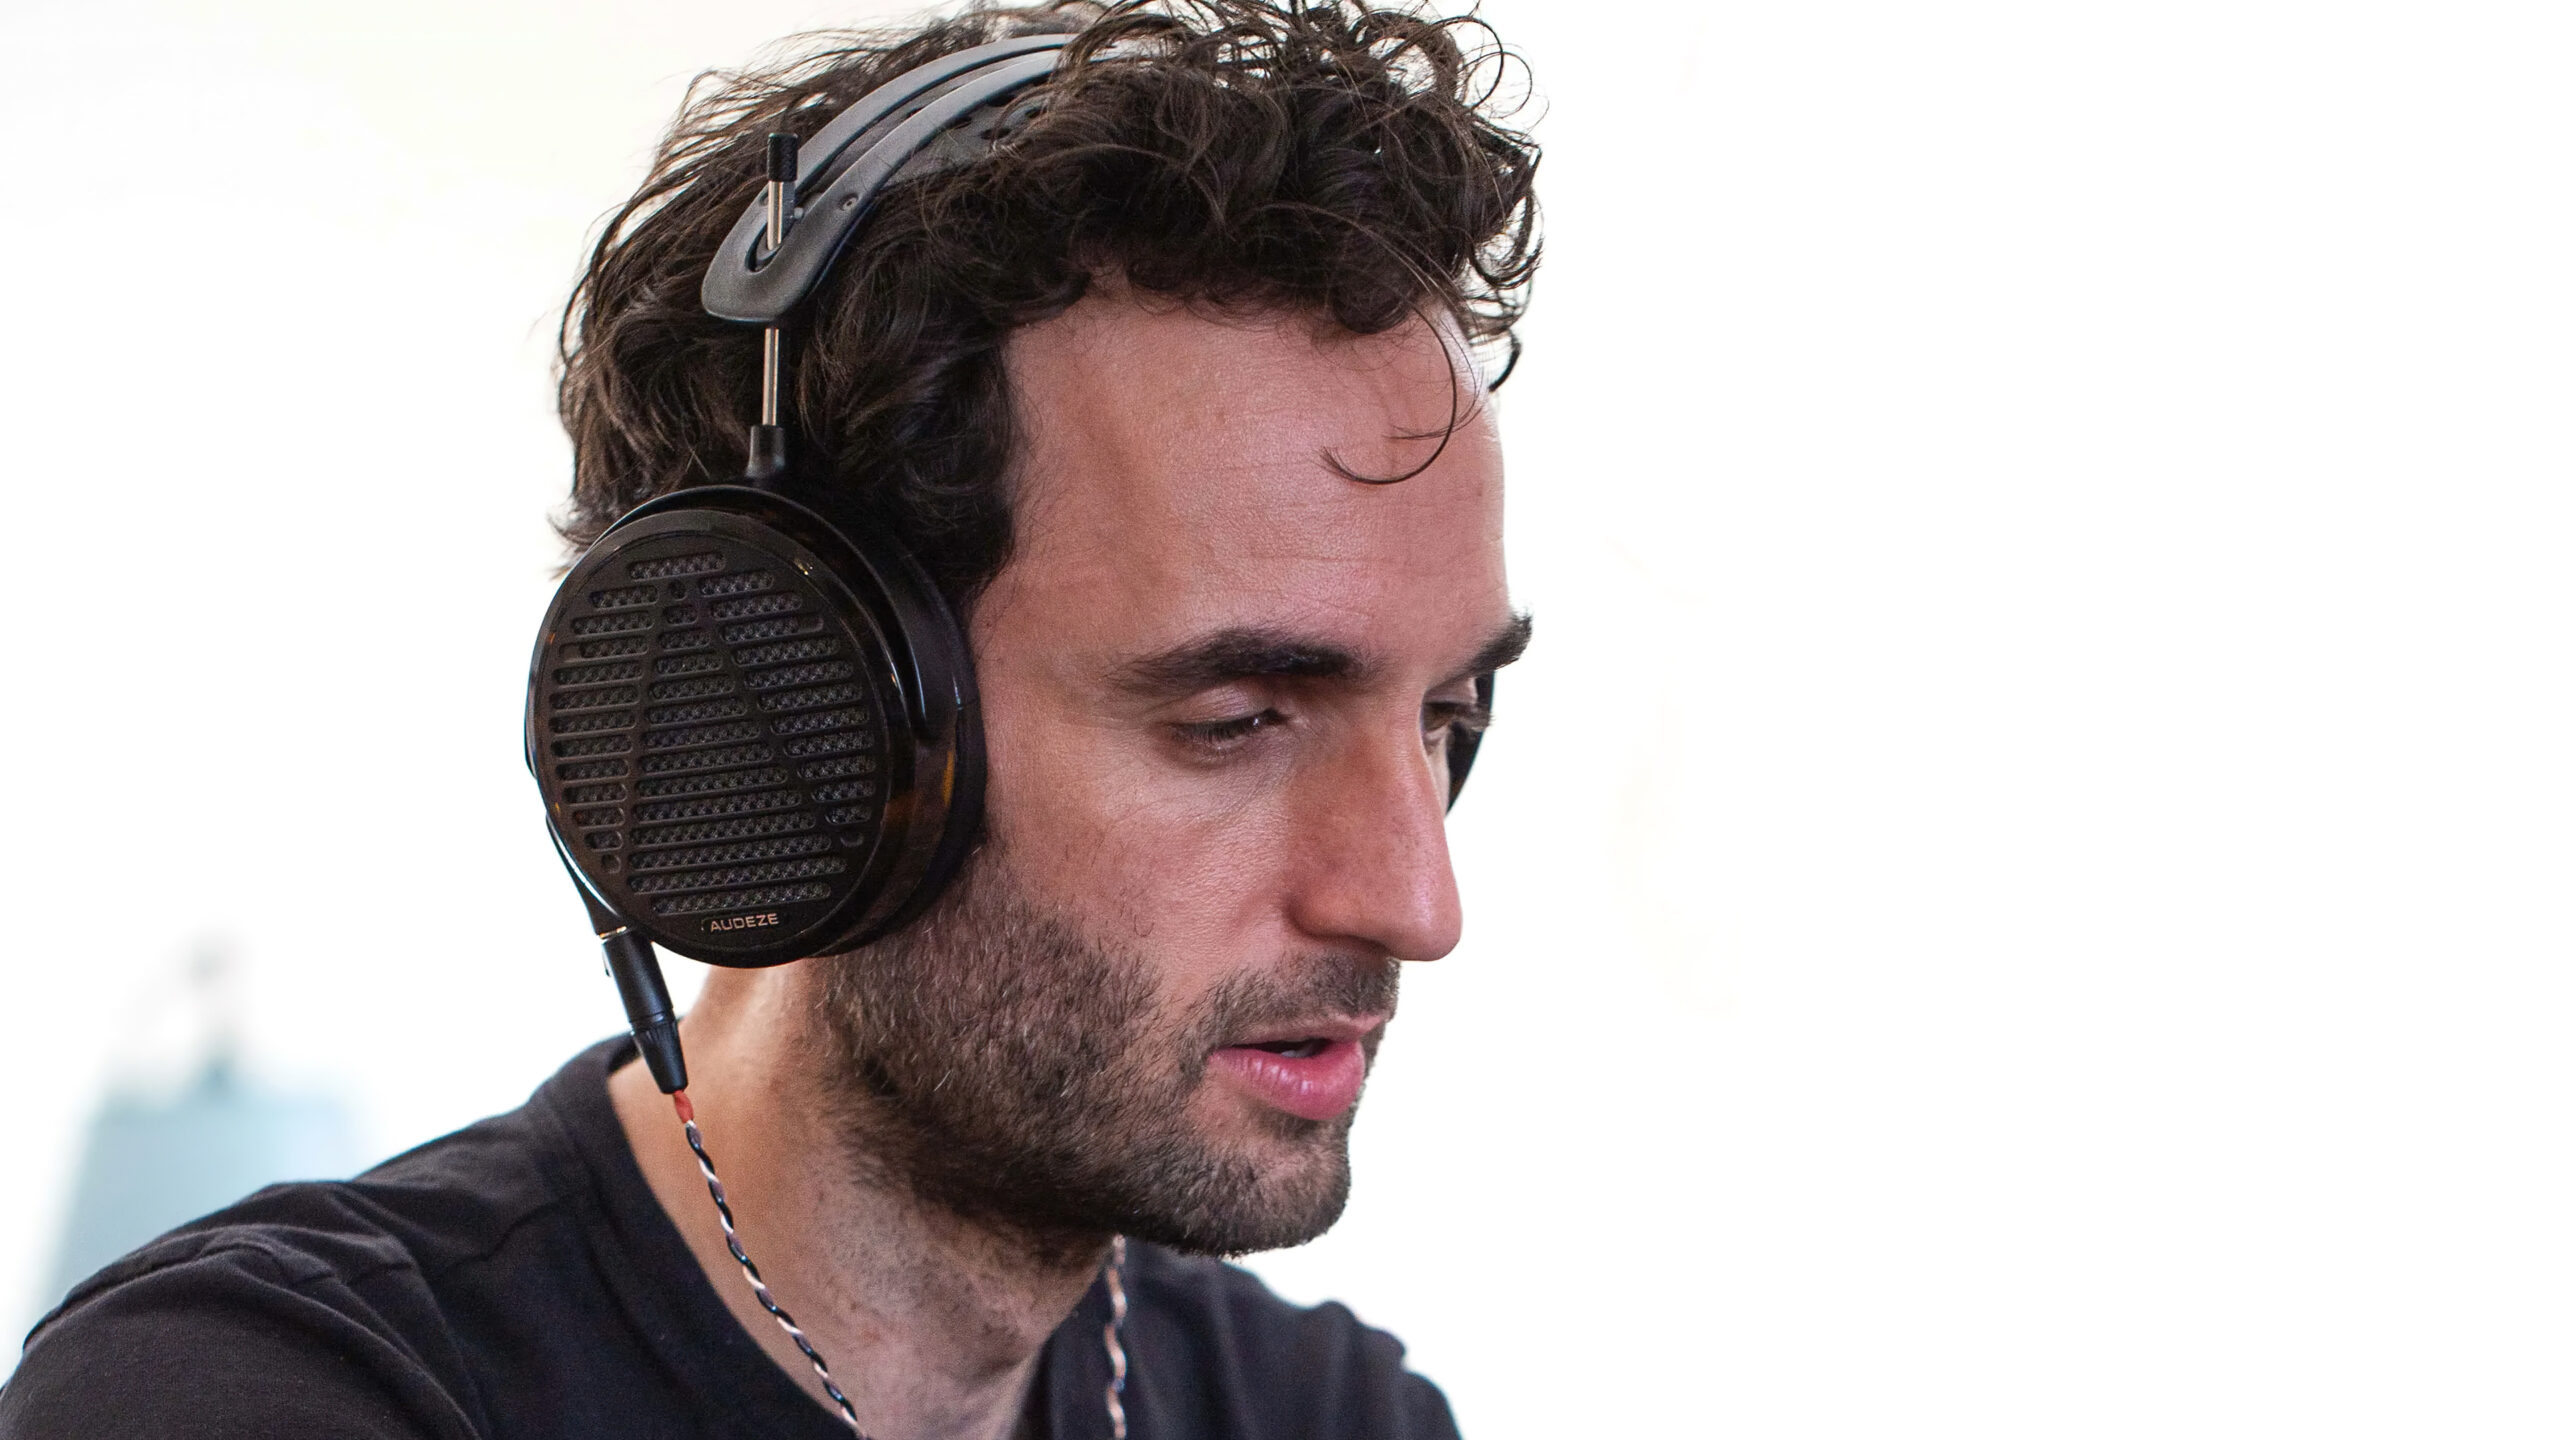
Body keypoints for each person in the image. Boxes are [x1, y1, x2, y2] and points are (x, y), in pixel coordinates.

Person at [0, 1, 1539, 1435]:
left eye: (1445, 713)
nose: (1417, 905)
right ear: (793, 723)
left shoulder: (1328, 1411)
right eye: (1241, 718)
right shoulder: (254, 1399)